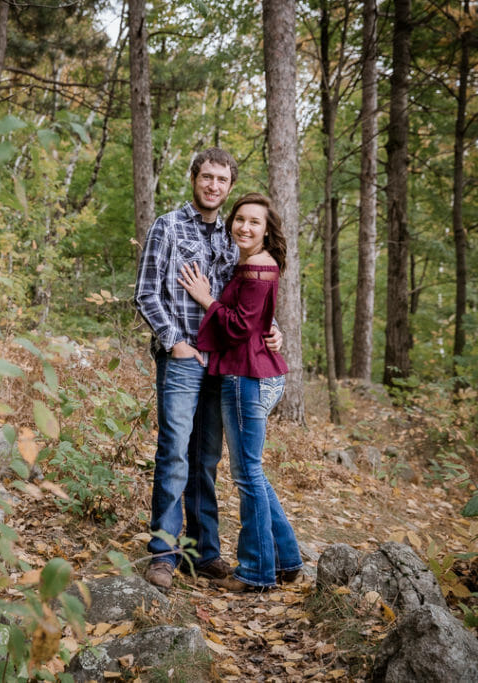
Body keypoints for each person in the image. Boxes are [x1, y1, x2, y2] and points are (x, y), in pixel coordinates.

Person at [134, 149, 281, 590]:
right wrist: (174, 342)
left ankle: (204, 553)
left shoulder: (234, 236)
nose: (213, 185)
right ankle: (164, 554)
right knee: (174, 452)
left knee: (206, 458)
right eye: (207, 177)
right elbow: (146, 292)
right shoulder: (168, 226)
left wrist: (274, 329)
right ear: (194, 178)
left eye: (222, 179)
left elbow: (246, 299)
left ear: (229, 186)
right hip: (182, 359)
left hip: (223, 363)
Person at [177, 192, 303, 591]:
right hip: (254, 373)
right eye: (240, 219)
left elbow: (237, 327)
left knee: (247, 475)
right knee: (253, 473)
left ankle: (256, 573)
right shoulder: (252, 263)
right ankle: (287, 558)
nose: (245, 227)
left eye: (255, 222)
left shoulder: (257, 267)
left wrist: (205, 298)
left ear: (267, 230)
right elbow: (256, 319)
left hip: (247, 378)